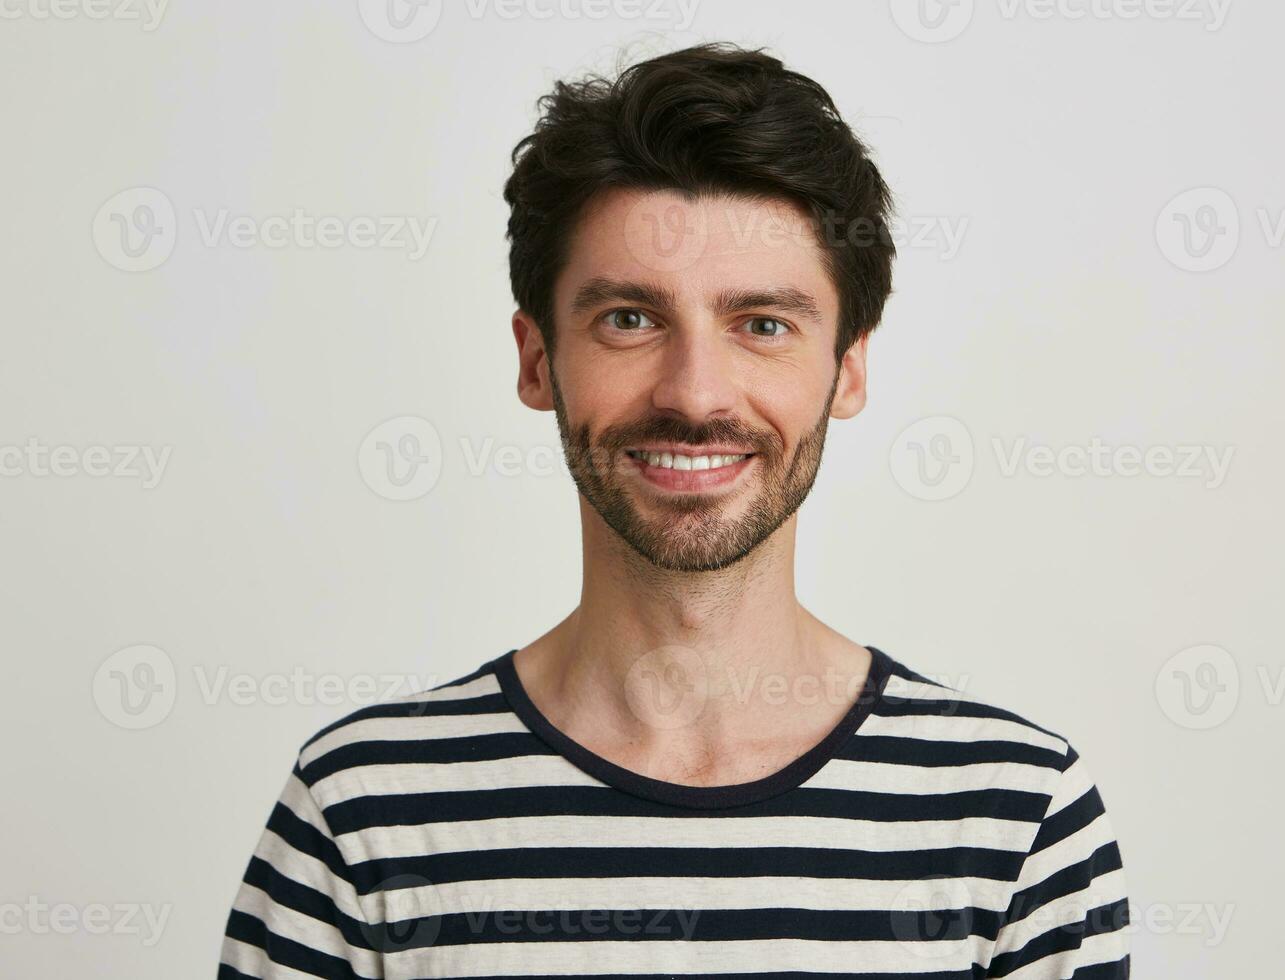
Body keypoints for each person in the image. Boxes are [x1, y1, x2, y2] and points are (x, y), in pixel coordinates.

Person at [218, 41, 1130, 979]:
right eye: (629, 319)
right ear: (538, 361)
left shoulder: (1015, 817)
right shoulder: (362, 813)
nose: (695, 395)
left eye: (763, 325)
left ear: (847, 369)